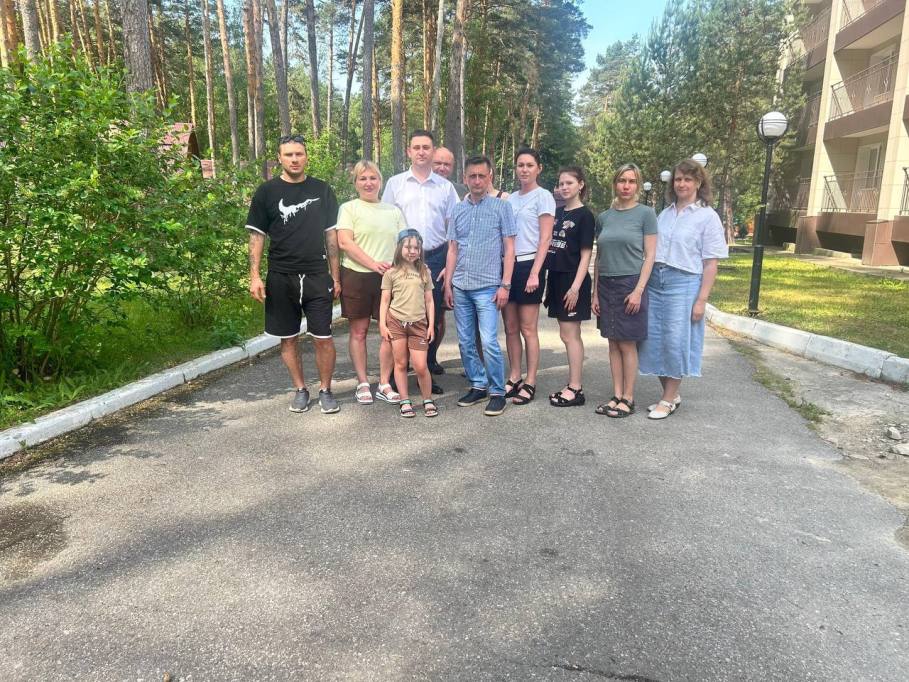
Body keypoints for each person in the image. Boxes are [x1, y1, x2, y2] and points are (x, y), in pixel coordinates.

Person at [246, 134, 341, 414]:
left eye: (299, 154)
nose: (294, 159)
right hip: (280, 276)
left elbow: (331, 237)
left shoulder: (323, 190)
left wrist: (336, 277)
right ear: (279, 158)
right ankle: (300, 389)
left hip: (316, 275)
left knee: (323, 337)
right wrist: (254, 276)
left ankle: (326, 390)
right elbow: (257, 236)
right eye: (288, 155)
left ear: (306, 156)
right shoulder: (266, 192)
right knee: (288, 338)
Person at [638, 158, 729, 419]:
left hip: (684, 283)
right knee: (651, 340)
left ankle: (667, 399)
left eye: (688, 179)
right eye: (678, 179)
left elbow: (710, 263)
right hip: (656, 281)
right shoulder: (664, 214)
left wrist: (702, 300)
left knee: (675, 341)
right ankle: (671, 394)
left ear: (698, 183)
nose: (682, 184)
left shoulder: (707, 217)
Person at [382, 130, 459, 386]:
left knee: (429, 317)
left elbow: (454, 228)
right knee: (399, 316)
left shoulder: (445, 187)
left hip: (436, 257)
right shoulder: (395, 184)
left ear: (433, 151)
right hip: (403, 260)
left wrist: (449, 265)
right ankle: (398, 373)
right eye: (417, 147)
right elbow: (387, 223)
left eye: (426, 147)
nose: (421, 152)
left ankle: (424, 373)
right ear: (409, 151)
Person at [444, 155, 517, 417]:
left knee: (488, 341)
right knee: (465, 341)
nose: (476, 181)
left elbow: (510, 249)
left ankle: (497, 392)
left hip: (488, 286)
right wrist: (448, 284)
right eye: (472, 176)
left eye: (481, 176)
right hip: (461, 285)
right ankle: (478, 384)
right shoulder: (457, 210)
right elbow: (453, 249)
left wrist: (505, 285)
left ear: (490, 177)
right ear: (465, 178)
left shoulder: (502, 207)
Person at [336, 160, 407, 405]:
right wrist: (373, 263)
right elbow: (345, 242)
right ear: (355, 183)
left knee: (390, 333)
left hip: (389, 278)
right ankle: (363, 383)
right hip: (357, 276)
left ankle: (384, 383)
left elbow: (404, 243)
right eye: (363, 178)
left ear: (380, 181)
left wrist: (404, 269)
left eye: (373, 178)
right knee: (359, 331)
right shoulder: (349, 209)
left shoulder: (393, 211)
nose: (368, 183)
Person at [591, 163, 658, 417]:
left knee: (627, 344)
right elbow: (599, 257)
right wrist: (595, 293)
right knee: (612, 343)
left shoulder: (646, 214)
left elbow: (650, 256)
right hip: (606, 285)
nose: (626, 186)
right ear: (615, 184)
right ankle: (616, 395)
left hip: (630, 284)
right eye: (622, 181)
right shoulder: (604, 217)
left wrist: (639, 291)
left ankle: (628, 398)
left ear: (637, 185)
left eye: (631, 181)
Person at [503, 148, 555, 405]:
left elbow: (545, 238)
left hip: (529, 266)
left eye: (529, 165)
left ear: (538, 168)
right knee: (510, 327)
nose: (524, 169)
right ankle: (515, 375)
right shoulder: (510, 199)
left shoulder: (543, 197)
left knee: (527, 328)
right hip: (508, 267)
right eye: (520, 165)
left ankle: (531, 380)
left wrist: (535, 272)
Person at [546, 166, 596, 407]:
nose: (564, 187)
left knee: (571, 335)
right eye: (561, 183)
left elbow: (586, 255)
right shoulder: (557, 212)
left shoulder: (585, 216)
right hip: (555, 278)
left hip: (572, 280)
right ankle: (572, 385)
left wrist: (575, 288)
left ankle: (576, 388)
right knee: (564, 334)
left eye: (569, 183)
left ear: (581, 185)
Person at [379, 230, 438, 418]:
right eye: (408, 247)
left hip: (419, 324)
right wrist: (382, 325)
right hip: (396, 322)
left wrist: (430, 325)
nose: (412, 251)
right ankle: (404, 400)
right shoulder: (391, 273)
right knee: (401, 363)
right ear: (399, 248)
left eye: (416, 248)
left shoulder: (424, 272)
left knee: (420, 366)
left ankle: (427, 399)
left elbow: (429, 301)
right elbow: (385, 301)